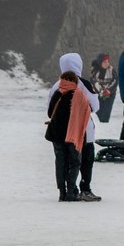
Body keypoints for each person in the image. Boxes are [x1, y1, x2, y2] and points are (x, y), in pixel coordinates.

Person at [46, 52, 101, 202]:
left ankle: (67, 191)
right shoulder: (84, 84)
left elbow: (50, 109)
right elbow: (95, 106)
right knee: (85, 161)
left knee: (63, 162)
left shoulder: (57, 85)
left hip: (60, 131)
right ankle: (85, 189)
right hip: (83, 130)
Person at [88, 53, 118, 126]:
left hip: (110, 94)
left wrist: (108, 90)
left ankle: (106, 125)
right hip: (98, 93)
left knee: (106, 112)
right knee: (99, 111)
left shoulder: (111, 70)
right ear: (100, 62)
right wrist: (101, 91)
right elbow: (93, 82)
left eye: (107, 62)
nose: (106, 64)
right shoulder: (94, 71)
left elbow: (115, 81)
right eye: (104, 62)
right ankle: (100, 125)